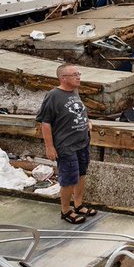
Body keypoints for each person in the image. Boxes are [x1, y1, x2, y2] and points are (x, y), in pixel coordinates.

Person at [37, 63, 96, 224]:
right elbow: (45, 123)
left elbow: (79, 110)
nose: (78, 77)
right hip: (66, 145)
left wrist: (87, 121)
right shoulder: (53, 96)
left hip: (82, 142)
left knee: (81, 174)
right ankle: (65, 211)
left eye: (79, 74)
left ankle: (78, 204)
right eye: (74, 75)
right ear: (63, 78)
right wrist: (49, 147)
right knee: (69, 179)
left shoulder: (74, 92)